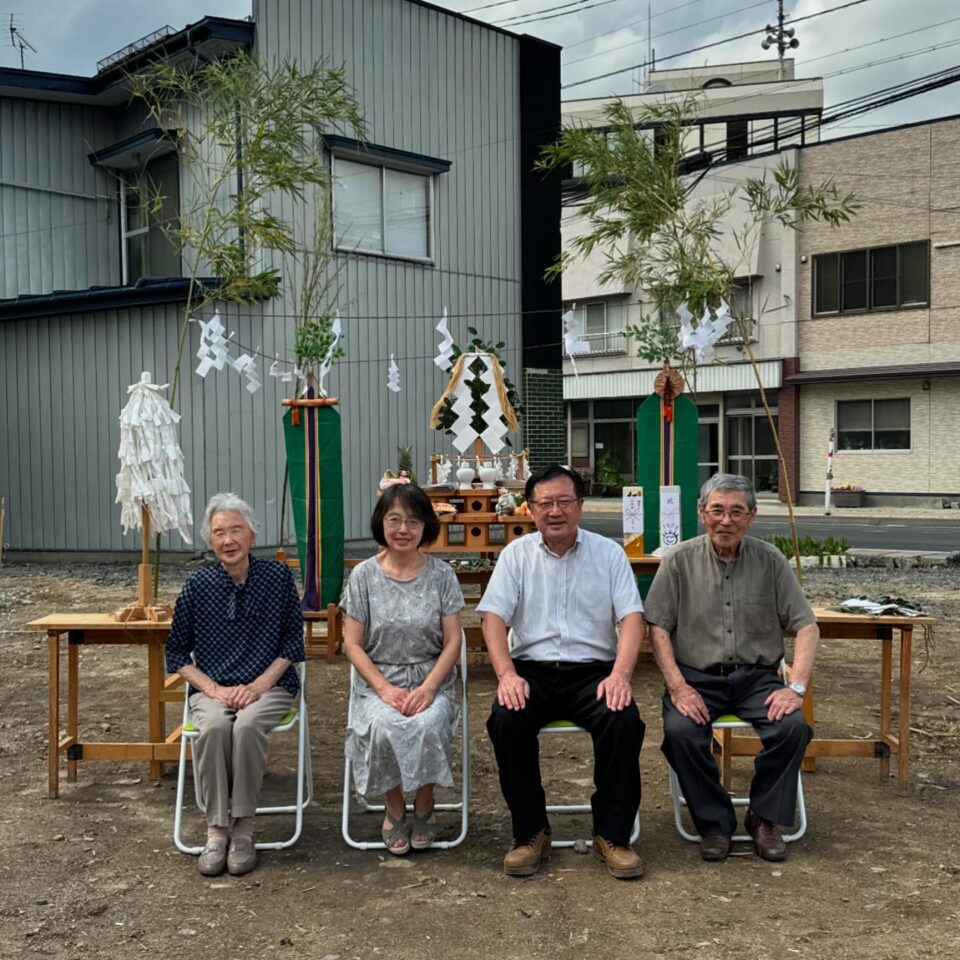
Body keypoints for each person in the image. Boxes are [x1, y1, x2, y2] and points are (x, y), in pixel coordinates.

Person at [479, 464, 646, 879]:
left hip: (594, 673)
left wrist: (620, 675)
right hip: (531, 671)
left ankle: (612, 835)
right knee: (506, 719)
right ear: (531, 510)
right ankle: (530, 832)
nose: (555, 511)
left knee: (622, 720)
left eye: (564, 502)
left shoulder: (608, 554)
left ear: (581, 506)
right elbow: (493, 619)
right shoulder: (516, 555)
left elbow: (631, 618)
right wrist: (506, 675)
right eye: (545, 503)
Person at [644, 473, 819, 863]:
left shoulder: (771, 561)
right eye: (717, 510)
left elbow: (806, 625)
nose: (726, 520)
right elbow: (657, 627)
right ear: (701, 513)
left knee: (793, 727)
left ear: (752, 516)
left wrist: (797, 688)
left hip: (757, 679)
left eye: (736, 511)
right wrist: (677, 686)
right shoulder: (678, 561)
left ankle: (764, 817)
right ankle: (715, 822)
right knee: (680, 733)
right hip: (696, 677)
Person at [166, 493, 304, 877]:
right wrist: (213, 690)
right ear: (211, 542)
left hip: (270, 686)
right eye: (219, 533)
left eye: (235, 530)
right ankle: (216, 830)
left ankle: (242, 828)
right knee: (211, 727)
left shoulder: (276, 578)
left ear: (252, 535)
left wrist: (259, 686)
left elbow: (294, 644)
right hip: (215, 688)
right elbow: (176, 653)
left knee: (245, 726)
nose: (228, 540)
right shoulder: (198, 584)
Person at [341, 484, 464, 856]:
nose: (403, 529)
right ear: (381, 523)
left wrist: (428, 689)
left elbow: (454, 641)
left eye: (413, 520)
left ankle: (424, 802)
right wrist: (383, 689)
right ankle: (394, 806)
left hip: (431, 678)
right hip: (379, 681)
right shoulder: (363, 576)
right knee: (383, 725)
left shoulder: (442, 575)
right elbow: (351, 643)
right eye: (394, 519)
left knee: (428, 724)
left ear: (426, 526)